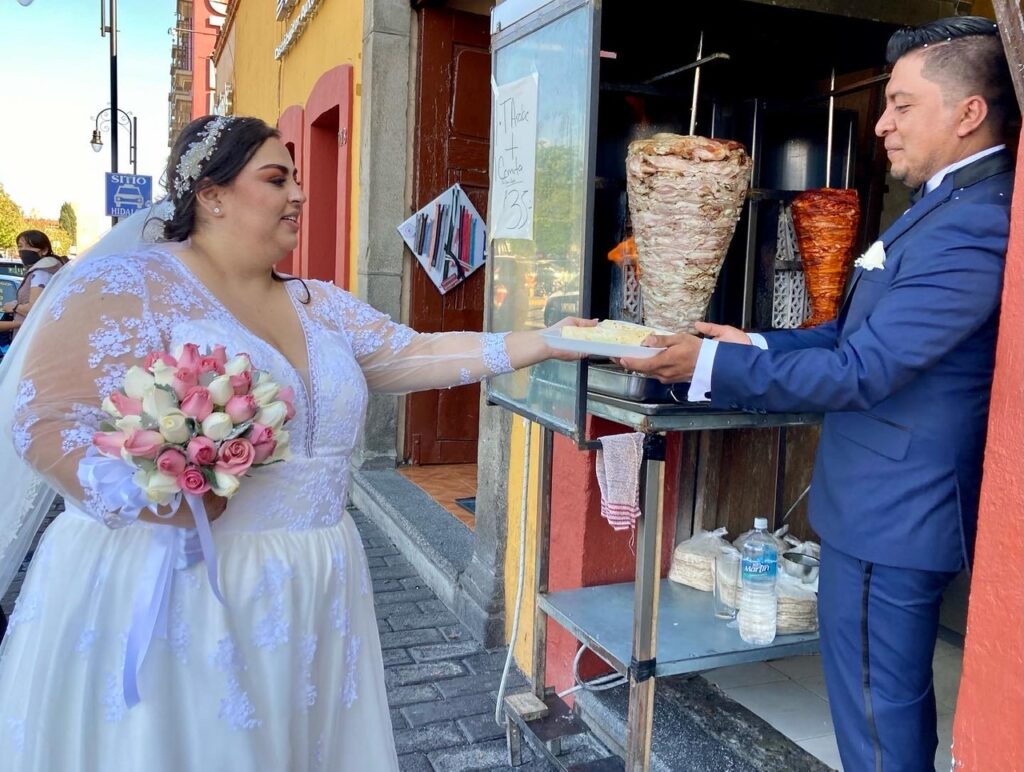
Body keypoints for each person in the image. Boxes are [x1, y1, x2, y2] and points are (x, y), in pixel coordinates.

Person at [0, 115, 593, 771]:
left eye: (299, 179)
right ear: (212, 194)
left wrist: (547, 339)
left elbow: (414, 353)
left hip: (316, 577)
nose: (299, 195)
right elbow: (45, 417)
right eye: (276, 178)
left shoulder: (320, 305)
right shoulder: (127, 286)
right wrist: (159, 489)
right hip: (189, 583)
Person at [619, 16, 1016, 771]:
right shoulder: (939, 207)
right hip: (875, 505)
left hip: (898, 514)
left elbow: (863, 370)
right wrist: (749, 343)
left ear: (968, 114)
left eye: (902, 105)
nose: (884, 126)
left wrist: (702, 371)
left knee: (876, 712)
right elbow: (845, 337)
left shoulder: (978, 223)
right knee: (868, 703)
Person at [0, 230, 65, 343]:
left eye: (29, 246)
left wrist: (14, 307)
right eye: (20, 246)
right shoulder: (51, 268)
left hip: (30, 337)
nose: (22, 250)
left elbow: (34, 308)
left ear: (44, 250)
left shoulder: (41, 272)